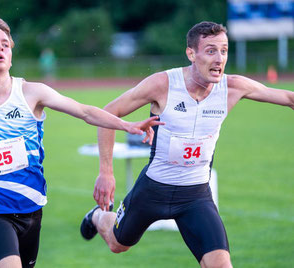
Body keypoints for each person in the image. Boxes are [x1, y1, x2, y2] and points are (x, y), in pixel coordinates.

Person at [0, 15, 162, 268]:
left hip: (30, 205)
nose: (0, 49)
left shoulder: (31, 93)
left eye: (5, 45)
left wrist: (127, 124)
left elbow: (84, 111)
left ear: (10, 56)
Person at [80, 21, 294, 268]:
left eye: (224, 50)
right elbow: (108, 113)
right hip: (153, 190)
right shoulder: (163, 84)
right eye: (211, 50)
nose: (219, 59)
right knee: (119, 244)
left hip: (196, 196)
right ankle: (97, 216)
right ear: (191, 54)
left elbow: (288, 98)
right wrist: (106, 172)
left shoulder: (233, 87)